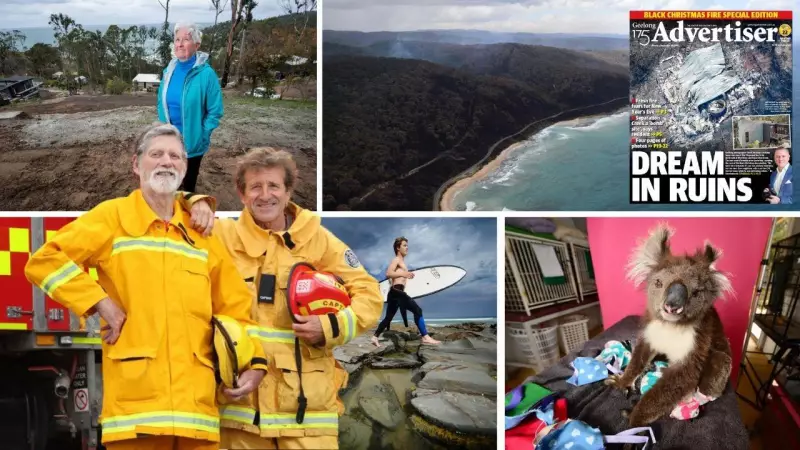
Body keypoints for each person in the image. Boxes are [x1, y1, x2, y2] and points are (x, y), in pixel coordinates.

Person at [23, 123, 267, 450]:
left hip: (197, 416)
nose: (166, 161)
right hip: (137, 416)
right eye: (156, 154)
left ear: (184, 168)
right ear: (136, 165)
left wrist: (256, 365)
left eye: (175, 156)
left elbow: (237, 310)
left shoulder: (201, 234)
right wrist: (100, 302)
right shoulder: (113, 217)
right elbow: (45, 260)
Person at [190, 147, 384, 449]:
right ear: (242, 195)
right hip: (239, 412)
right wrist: (192, 201)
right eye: (255, 186)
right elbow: (166, 222)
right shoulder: (221, 235)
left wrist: (330, 326)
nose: (264, 195)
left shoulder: (320, 240)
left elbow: (370, 294)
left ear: (288, 191)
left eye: (273, 186)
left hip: (308, 413)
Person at [157, 22, 223, 192]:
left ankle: (185, 211)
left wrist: (202, 133)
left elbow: (215, 111)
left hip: (193, 142)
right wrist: (163, 125)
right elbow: (160, 99)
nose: (179, 44)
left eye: (185, 40)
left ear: (197, 45)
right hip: (170, 139)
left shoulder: (206, 74)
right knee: (171, 177)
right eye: (177, 39)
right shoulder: (169, 70)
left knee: (188, 182)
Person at [371, 237, 441, 346]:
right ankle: (425, 337)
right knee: (418, 311)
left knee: (388, 318)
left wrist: (407, 276)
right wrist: (404, 274)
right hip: (397, 292)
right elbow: (388, 273)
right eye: (404, 245)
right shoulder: (396, 260)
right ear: (398, 248)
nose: (407, 248)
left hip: (394, 292)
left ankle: (375, 337)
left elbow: (393, 278)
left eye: (407, 245)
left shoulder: (403, 263)